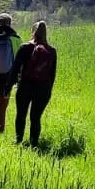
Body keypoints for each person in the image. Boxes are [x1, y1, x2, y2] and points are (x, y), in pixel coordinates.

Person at [11, 20, 58, 148]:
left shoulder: (25, 47)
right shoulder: (52, 51)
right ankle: (34, 144)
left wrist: (9, 86)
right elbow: (52, 74)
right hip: (43, 88)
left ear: (33, 32)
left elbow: (15, 69)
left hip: (25, 86)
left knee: (21, 114)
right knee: (35, 118)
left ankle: (18, 140)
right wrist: (49, 90)